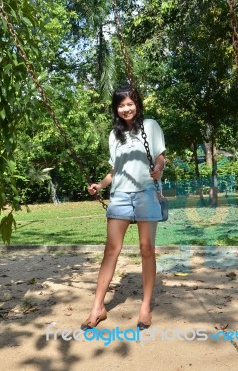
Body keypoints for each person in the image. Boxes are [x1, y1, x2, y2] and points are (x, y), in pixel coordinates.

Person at [81, 85, 166, 331]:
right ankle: (98, 307)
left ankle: (145, 306)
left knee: (147, 249)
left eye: (130, 103)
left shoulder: (150, 126)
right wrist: (100, 184)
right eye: (121, 105)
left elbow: (160, 157)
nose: (126, 108)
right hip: (119, 195)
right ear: (116, 109)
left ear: (137, 104)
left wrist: (158, 170)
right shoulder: (113, 135)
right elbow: (114, 170)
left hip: (146, 193)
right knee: (111, 250)